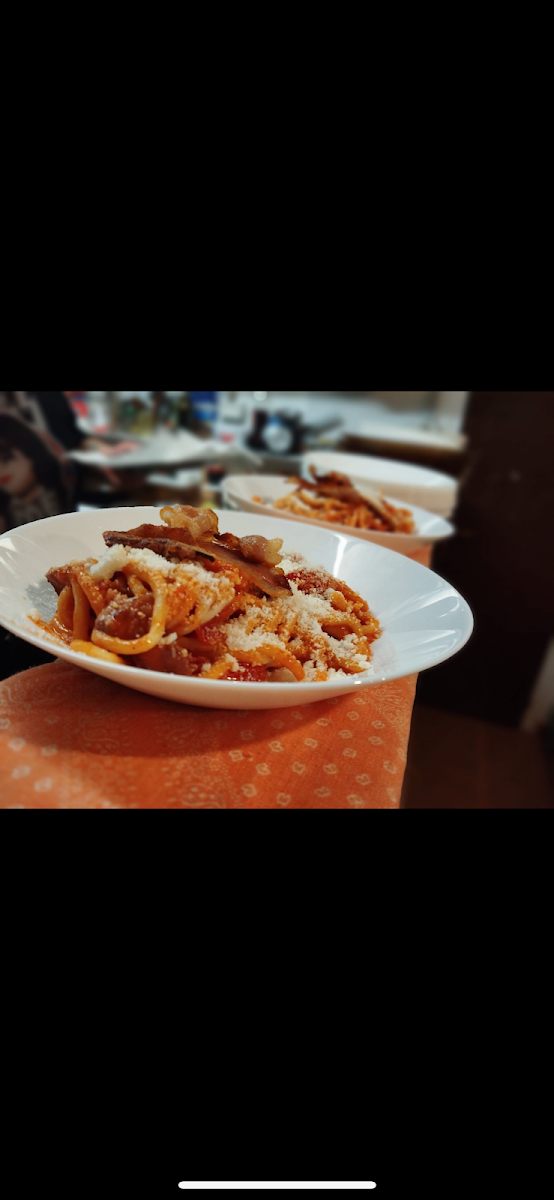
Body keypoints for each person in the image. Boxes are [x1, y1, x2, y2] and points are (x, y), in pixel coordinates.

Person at [0, 390, 136, 534]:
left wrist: (106, 456)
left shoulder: (46, 395)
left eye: (7, 456)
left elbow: (74, 441)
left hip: (66, 532)